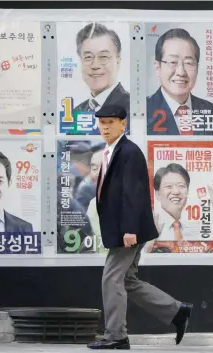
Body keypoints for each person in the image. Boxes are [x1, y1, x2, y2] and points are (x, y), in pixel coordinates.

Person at [86, 104, 192, 350]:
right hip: (123, 228)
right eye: (102, 123)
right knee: (127, 280)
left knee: (111, 279)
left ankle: (116, 336)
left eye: (111, 122)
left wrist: (130, 230)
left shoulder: (128, 151)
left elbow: (134, 193)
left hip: (129, 229)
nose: (105, 127)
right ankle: (177, 312)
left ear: (123, 124)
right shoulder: (111, 151)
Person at [147, 28, 213, 135]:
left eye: (189, 63)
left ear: (197, 68)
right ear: (158, 67)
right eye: (172, 62)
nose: (181, 72)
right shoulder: (143, 111)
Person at [73, 23, 130, 116]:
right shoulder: (77, 112)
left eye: (103, 56)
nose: (95, 65)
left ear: (118, 61)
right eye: (88, 57)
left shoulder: (132, 108)